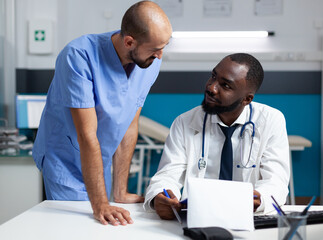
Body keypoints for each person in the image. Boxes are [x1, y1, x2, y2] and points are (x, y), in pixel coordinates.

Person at [32, 1, 172, 226]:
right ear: (129, 42)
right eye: (155, 49)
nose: (160, 55)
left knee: (107, 225)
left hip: (99, 161)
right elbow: (87, 134)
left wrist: (120, 191)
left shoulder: (150, 61)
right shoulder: (78, 56)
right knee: (77, 228)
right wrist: (99, 204)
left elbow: (129, 124)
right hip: (66, 161)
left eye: (164, 46)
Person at [144, 53, 290, 219]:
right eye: (213, 76)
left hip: (247, 217)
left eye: (225, 85)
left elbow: (276, 181)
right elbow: (167, 175)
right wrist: (160, 197)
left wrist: (259, 199)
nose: (211, 88)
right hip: (197, 216)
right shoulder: (184, 122)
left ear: (247, 99)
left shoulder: (270, 120)